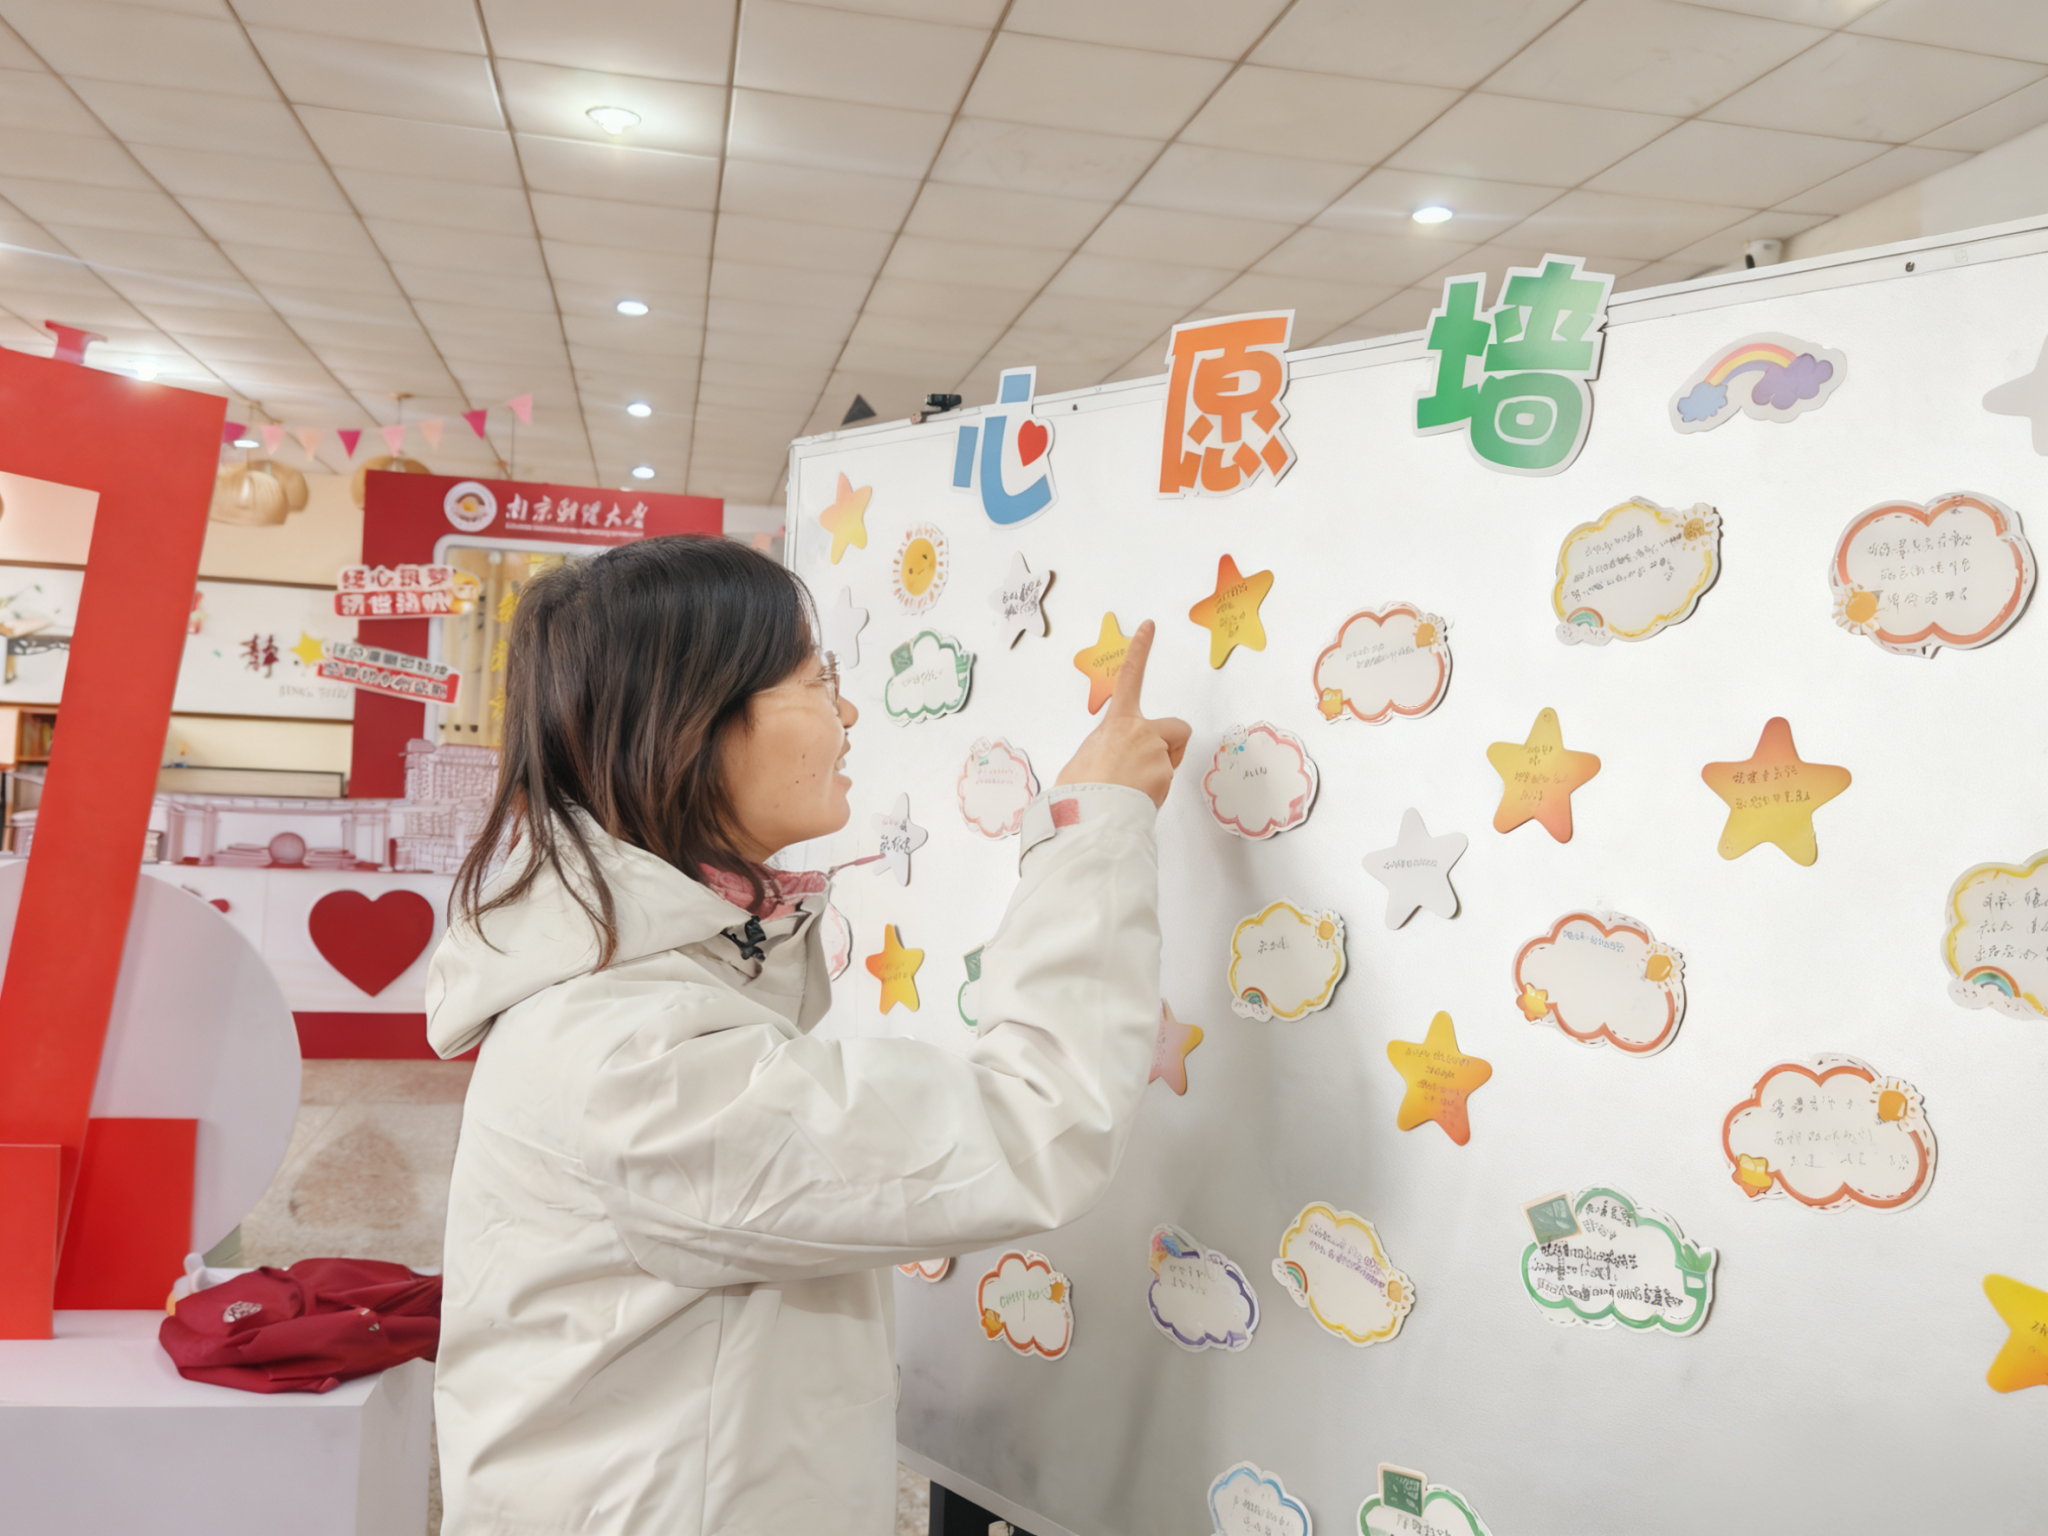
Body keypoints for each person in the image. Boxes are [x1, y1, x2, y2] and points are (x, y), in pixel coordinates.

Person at [426, 535, 1188, 1535]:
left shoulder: (645, 982)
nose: (849, 713)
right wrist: (1091, 831)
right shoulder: (631, 1056)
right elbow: (1033, 1124)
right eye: (815, 679)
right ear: (692, 721)